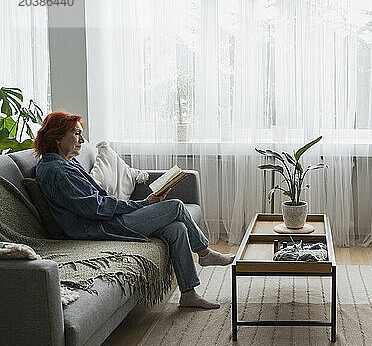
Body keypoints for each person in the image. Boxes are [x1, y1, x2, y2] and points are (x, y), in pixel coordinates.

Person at [34, 111, 232, 309]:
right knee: (176, 206)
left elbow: (99, 198)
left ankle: (188, 294)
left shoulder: (65, 162)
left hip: (105, 219)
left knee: (177, 228)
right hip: (99, 227)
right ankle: (204, 253)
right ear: (57, 137)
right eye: (76, 134)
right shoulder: (58, 171)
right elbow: (96, 208)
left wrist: (136, 205)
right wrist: (143, 203)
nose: (82, 140)